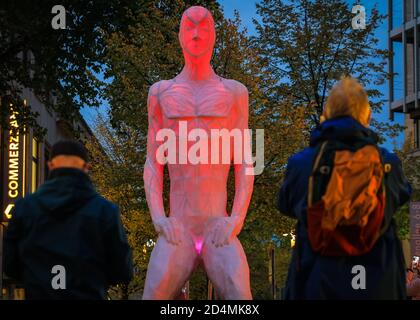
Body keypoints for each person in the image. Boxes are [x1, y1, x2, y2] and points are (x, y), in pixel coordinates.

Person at [142, 6, 254, 300]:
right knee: (152, 295)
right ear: (179, 35)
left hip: (218, 225)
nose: (196, 33)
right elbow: (153, 162)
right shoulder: (160, 93)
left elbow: (244, 162)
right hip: (178, 226)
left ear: (214, 35)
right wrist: (159, 218)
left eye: (204, 26)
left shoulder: (234, 93)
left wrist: (235, 220)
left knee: (241, 297)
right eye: (189, 26)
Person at [277, 77, 411, 299]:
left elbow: (285, 204)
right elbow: (402, 194)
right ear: (366, 116)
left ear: (326, 114)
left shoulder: (301, 164)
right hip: (378, 285)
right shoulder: (388, 165)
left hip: (316, 283)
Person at [4, 140, 133, 300]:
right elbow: (122, 271)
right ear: (86, 168)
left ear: (50, 166)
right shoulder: (105, 211)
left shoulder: (24, 208)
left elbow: (10, 267)